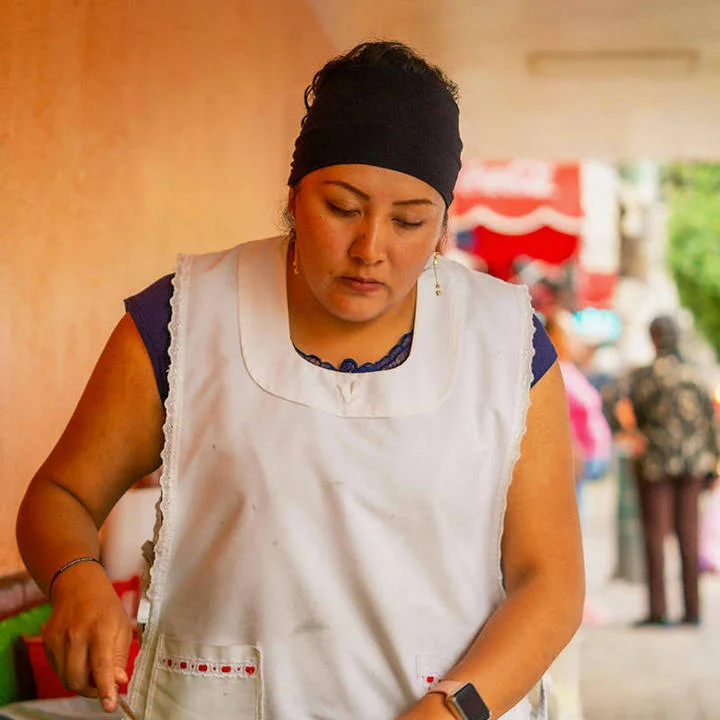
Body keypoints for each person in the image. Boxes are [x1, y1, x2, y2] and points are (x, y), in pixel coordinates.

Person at [16, 41, 584, 719]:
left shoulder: (505, 345)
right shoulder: (186, 318)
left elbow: (550, 584)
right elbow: (59, 496)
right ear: (293, 196)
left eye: (409, 220)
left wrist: (450, 710)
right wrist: (76, 578)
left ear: (442, 228)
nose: (370, 247)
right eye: (341, 207)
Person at [626, 315, 719, 626]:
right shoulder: (695, 373)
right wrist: (713, 464)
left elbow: (621, 404)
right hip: (692, 465)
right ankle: (693, 611)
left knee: (655, 537)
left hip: (656, 464)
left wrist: (635, 435)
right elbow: (710, 421)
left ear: (654, 338)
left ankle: (658, 610)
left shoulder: (646, 375)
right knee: (689, 537)